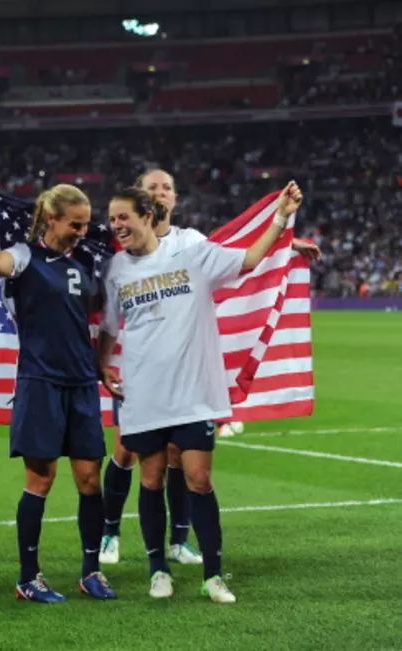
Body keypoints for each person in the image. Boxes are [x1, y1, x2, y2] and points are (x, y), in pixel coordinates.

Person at [99, 168, 321, 566]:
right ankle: (110, 532)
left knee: (176, 456)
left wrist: (286, 242)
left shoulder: (191, 242)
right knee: (125, 452)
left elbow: (235, 250)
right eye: (152, 187)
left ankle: (178, 541)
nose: (161, 192)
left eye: (167, 186)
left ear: (175, 199)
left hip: (184, 371)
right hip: (142, 370)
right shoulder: (122, 251)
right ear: (140, 201)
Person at [0, 183, 116, 603]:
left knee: (91, 479)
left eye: (86, 223)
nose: (82, 231)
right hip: (40, 382)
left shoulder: (85, 262)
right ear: (51, 218)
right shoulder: (23, 256)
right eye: (75, 223)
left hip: (81, 383)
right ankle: (28, 576)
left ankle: (91, 571)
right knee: (41, 478)